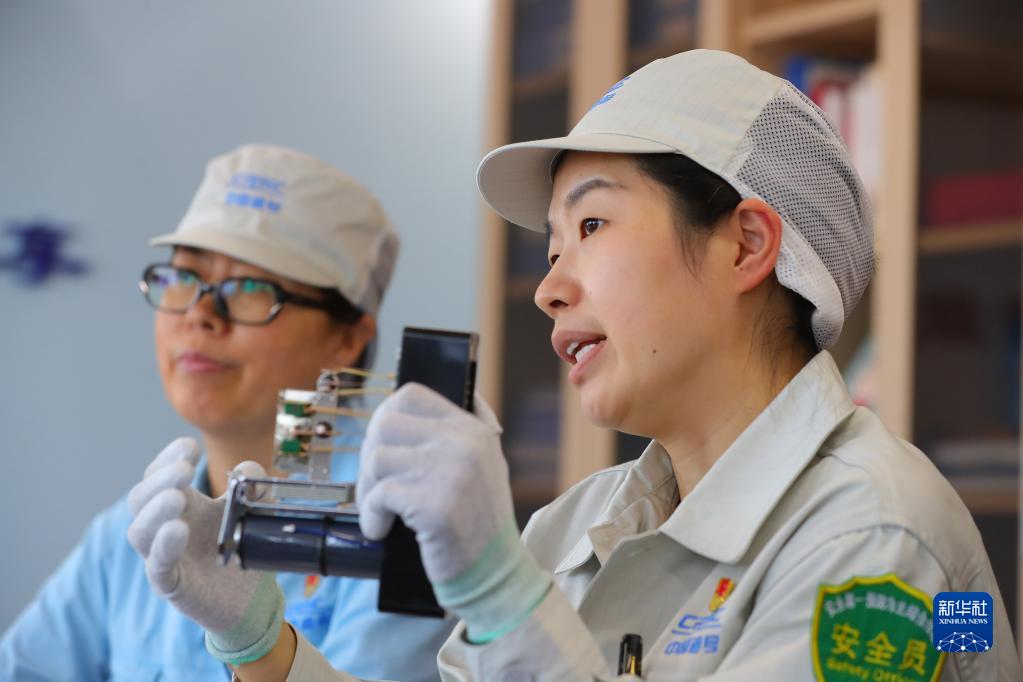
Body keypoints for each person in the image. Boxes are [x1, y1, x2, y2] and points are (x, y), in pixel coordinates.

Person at [129, 52, 1023, 681]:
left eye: (592, 226)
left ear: (746, 244)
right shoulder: (573, 529)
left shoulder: (872, 539)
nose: (549, 289)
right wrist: (260, 643)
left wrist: (500, 596)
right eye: (552, 247)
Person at [0, 144, 455, 681]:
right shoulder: (129, 536)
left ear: (347, 338)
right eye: (184, 277)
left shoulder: (407, 524)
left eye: (251, 289)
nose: (200, 313)